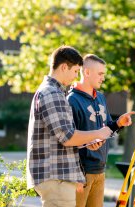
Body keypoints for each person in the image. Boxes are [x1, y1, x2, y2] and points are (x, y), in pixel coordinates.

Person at [26, 46, 113, 207]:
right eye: (75, 71)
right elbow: (67, 137)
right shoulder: (52, 93)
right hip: (56, 176)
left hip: (58, 176)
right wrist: (98, 133)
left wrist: (89, 142)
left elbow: (62, 136)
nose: (75, 77)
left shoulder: (54, 92)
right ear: (64, 67)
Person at [67, 54, 135, 207]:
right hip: (81, 173)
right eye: (100, 74)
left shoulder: (101, 98)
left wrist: (118, 123)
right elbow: (68, 138)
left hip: (100, 171)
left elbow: (106, 128)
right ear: (87, 72)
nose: (103, 78)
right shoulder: (72, 100)